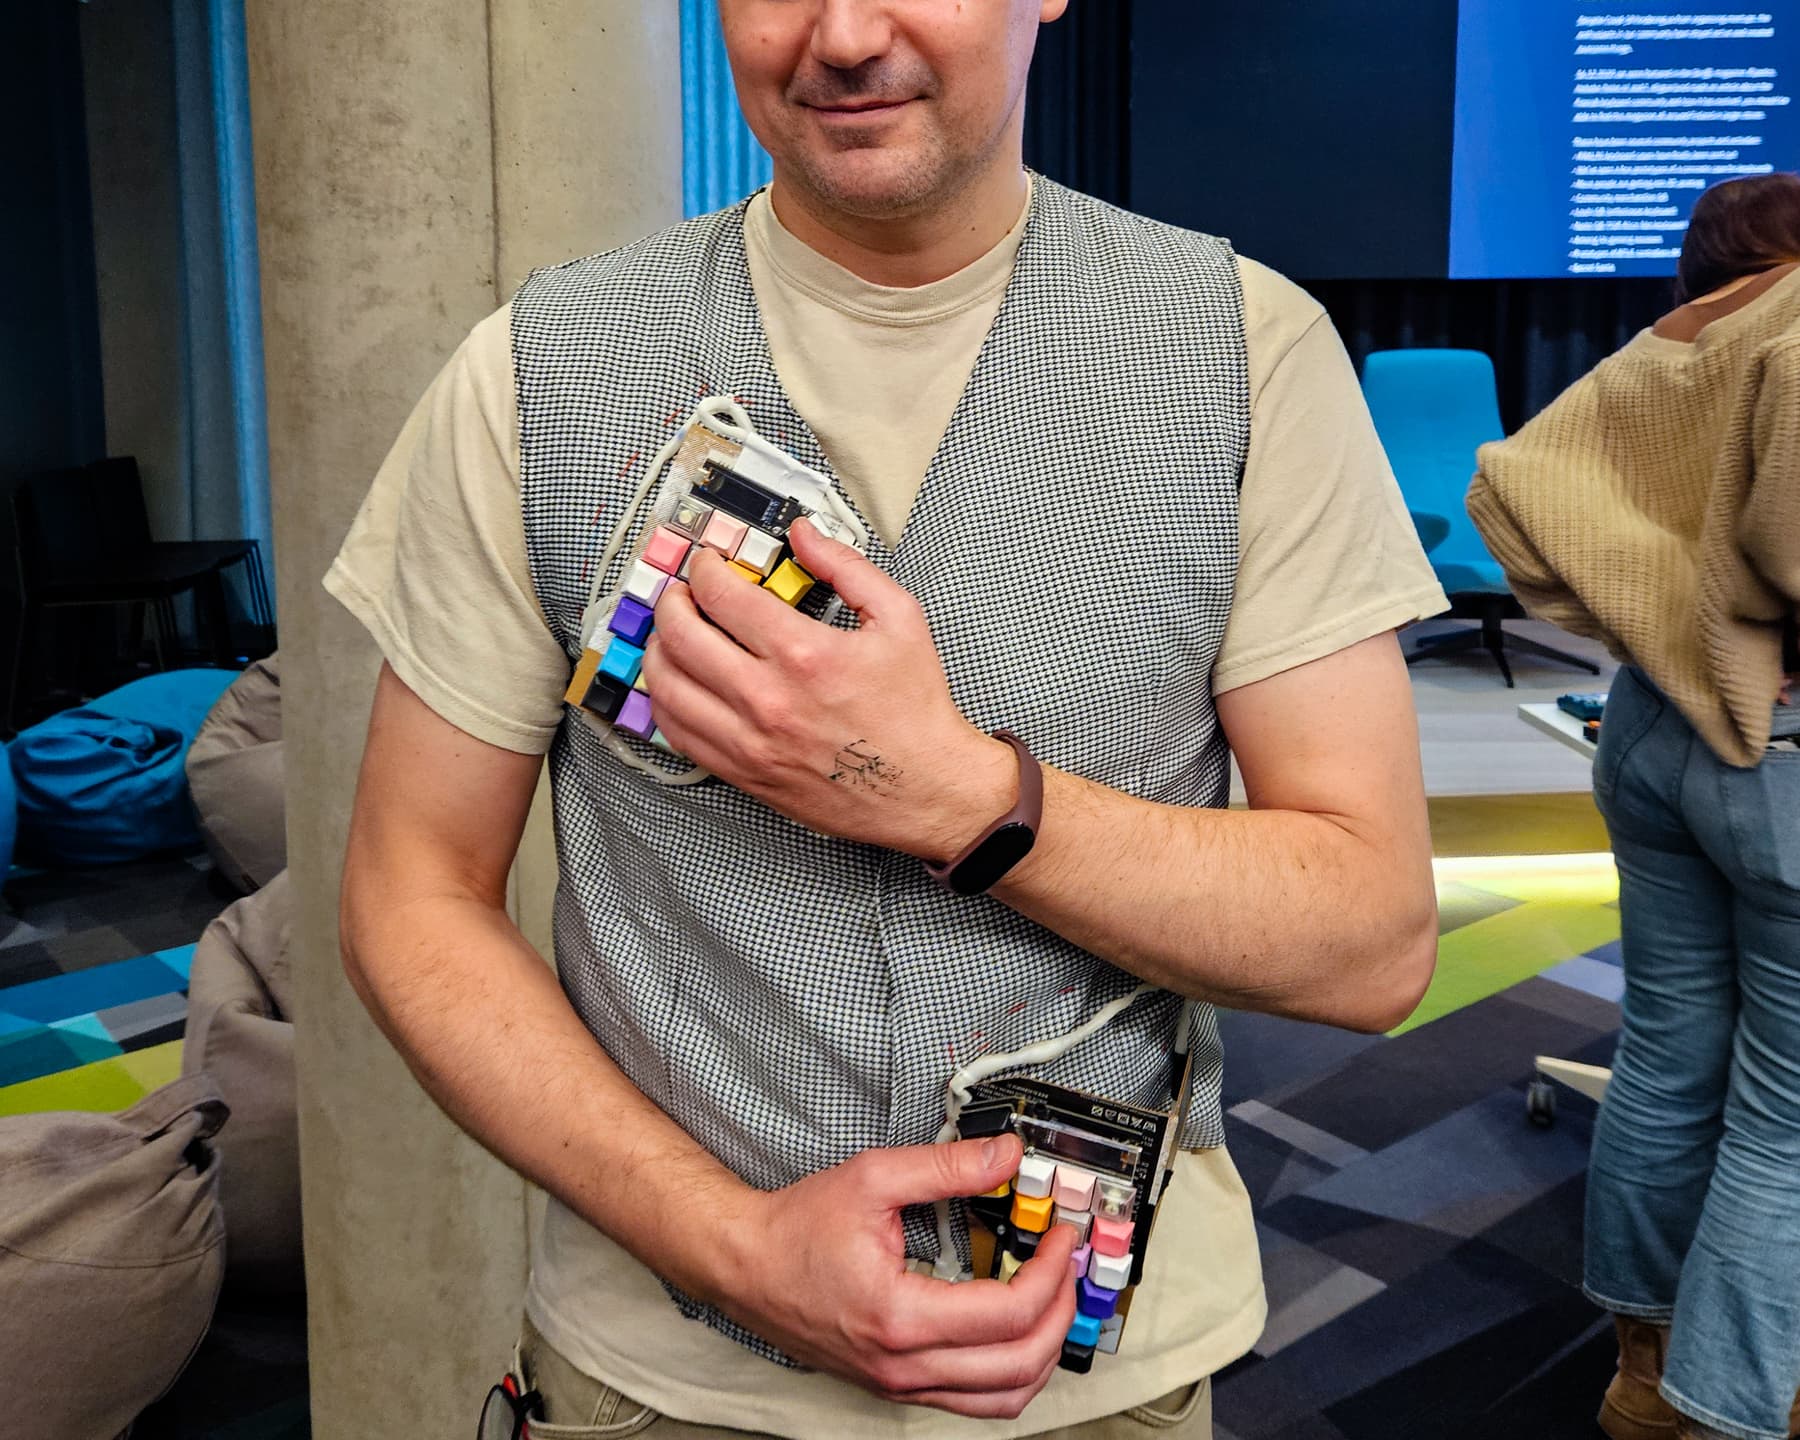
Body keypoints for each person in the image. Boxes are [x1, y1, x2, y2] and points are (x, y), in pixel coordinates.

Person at [329, 2, 1445, 1435]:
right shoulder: (536, 373)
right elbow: (409, 891)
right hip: (661, 1375)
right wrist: (732, 1245)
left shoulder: (1243, 353)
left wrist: (963, 798)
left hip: (1103, 1376)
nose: (845, 35)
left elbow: (1370, 940)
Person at [1469, 172, 1800, 1440]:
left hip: (1653, 726)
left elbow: (1512, 491)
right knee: (1783, 1114)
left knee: (1665, 1054)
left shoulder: (1667, 349)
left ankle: (1646, 1378)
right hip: (1773, 752)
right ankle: (1733, 1411)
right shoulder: (1792, 329)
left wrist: (1651, 618)